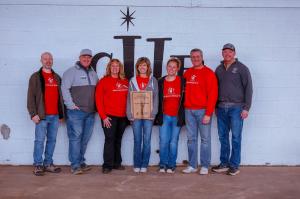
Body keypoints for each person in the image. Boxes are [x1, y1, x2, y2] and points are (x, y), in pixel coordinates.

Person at [212, 43, 253, 176]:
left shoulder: (242, 68)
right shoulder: (218, 69)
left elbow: (249, 89)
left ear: (234, 53)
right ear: (222, 53)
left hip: (237, 108)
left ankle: (234, 165)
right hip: (221, 107)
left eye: (230, 52)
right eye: (225, 52)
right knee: (223, 137)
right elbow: (215, 90)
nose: (227, 54)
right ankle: (224, 163)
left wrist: (246, 108)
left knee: (235, 137)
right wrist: (215, 107)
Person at [61, 49, 98, 175]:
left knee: (85, 138)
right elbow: (64, 89)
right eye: (84, 57)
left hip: (90, 112)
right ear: (79, 57)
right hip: (76, 112)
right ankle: (75, 165)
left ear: (91, 58)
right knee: (75, 138)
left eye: (89, 57)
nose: (86, 59)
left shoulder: (93, 73)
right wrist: (70, 105)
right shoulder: (71, 72)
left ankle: (81, 161)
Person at [27, 52, 64, 176]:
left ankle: (48, 164)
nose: (48, 61)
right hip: (42, 116)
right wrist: (33, 114)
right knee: (39, 141)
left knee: (52, 141)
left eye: (50, 59)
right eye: (45, 59)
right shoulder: (35, 77)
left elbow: (60, 97)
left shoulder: (57, 77)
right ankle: (38, 164)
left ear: (52, 61)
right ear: (41, 60)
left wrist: (61, 115)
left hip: (55, 116)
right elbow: (30, 97)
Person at [182, 48, 218, 175]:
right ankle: (192, 165)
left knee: (205, 139)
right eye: (193, 57)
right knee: (191, 139)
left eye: (197, 56)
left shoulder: (209, 73)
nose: (195, 59)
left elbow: (213, 95)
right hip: (189, 111)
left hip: (203, 111)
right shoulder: (187, 73)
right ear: (190, 58)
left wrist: (208, 113)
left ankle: (204, 165)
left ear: (202, 57)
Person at [95, 59, 129, 174]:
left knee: (118, 140)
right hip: (109, 116)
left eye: (117, 66)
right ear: (109, 68)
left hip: (123, 117)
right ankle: (107, 165)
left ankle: (117, 163)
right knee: (109, 140)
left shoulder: (125, 82)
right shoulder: (103, 81)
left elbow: (129, 100)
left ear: (120, 68)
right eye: (112, 66)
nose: (115, 68)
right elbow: (98, 100)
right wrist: (103, 117)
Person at [126, 57, 158, 173]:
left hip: (148, 116)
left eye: (144, 65)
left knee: (147, 140)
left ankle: (144, 164)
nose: (142, 67)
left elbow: (155, 98)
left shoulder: (153, 80)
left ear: (148, 67)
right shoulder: (132, 80)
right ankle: (137, 164)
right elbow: (129, 99)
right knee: (137, 140)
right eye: (140, 65)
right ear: (137, 67)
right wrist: (130, 114)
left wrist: (153, 113)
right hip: (136, 116)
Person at [155, 57, 185, 174]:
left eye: (174, 67)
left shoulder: (182, 81)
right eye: (169, 66)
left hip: (176, 116)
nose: (171, 69)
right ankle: (163, 165)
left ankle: (171, 165)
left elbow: (185, 100)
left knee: (173, 142)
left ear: (177, 68)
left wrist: (182, 116)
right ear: (166, 67)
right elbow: (157, 100)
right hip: (164, 116)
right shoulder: (160, 81)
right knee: (163, 141)